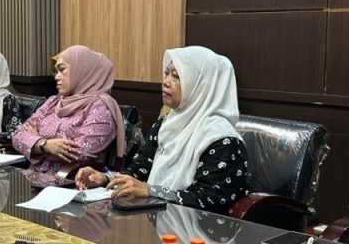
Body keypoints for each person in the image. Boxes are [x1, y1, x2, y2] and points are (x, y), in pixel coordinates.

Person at [77, 46, 250, 214]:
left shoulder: (223, 139)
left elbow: (209, 201)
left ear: (201, 85)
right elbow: (139, 171)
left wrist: (151, 191)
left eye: (176, 76)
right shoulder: (166, 124)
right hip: (154, 217)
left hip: (195, 229)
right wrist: (106, 178)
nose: (166, 81)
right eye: (167, 73)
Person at [12, 45, 126, 187]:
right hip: (32, 179)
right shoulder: (54, 101)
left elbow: (81, 152)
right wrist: (44, 144)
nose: (56, 77)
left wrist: (34, 142)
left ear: (82, 70)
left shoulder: (100, 106)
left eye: (62, 69)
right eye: (56, 71)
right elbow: (17, 135)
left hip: (69, 185)